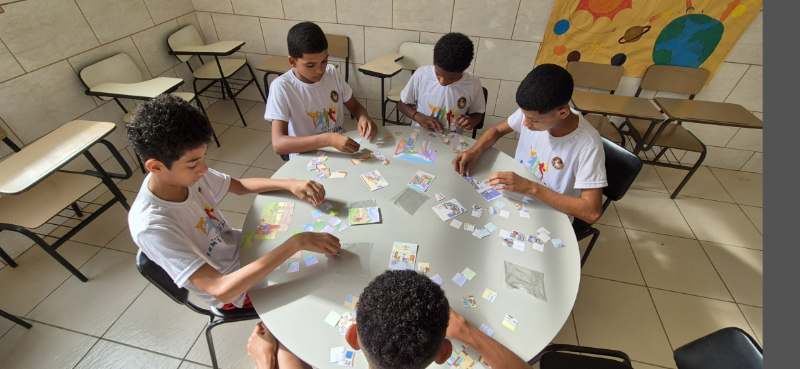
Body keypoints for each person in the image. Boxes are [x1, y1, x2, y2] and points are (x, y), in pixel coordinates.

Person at [127, 94, 341, 368]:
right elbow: (221, 291)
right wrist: (294, 244)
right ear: (156, 166)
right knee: (320, 285)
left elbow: (238, 185)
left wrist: (290, 183)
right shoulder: (152, 225)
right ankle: (281, 341)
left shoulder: (190, 174)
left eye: (204, 158)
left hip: (246, 250)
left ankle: (281, 341)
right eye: (193, 164)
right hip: (235, 289)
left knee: (321, 248)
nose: (203, 169)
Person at [247, 270, 531, 369]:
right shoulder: (445, 350)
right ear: (443, 353)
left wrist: (264, 361)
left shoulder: (352, 339)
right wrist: (467, 331)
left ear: (353, 337)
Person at [453, 64, 607, 224]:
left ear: (562, 113)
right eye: (524, 115)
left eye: (534, 120)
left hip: (549, 214)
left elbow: (592, 212)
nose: (525, 124)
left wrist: (531, 187)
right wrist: (475, 150)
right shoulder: (533, 109)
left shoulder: (588, 145)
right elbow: (498, 130)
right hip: (515, 198)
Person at [265, 21, 378, 159]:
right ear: (292, 62)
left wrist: (364, 118)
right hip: (305, 156)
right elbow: (279, 145)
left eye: (324, 61)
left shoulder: (331, 72)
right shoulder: (281, 87)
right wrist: (328, 139)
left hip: (339, 150)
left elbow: (355, 106)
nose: (320, 70)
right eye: (310, 65)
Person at [397, 32, 485, 135]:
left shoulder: (473, 83)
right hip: (420, 136)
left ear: (465, 68)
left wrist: (471, 121)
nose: (442, 82)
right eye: (438, 74)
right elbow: (402, 104)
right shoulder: (422, 75)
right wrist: (418, 116)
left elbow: (478, 113)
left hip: (451, 140)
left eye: (451, 79)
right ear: (434, 62)